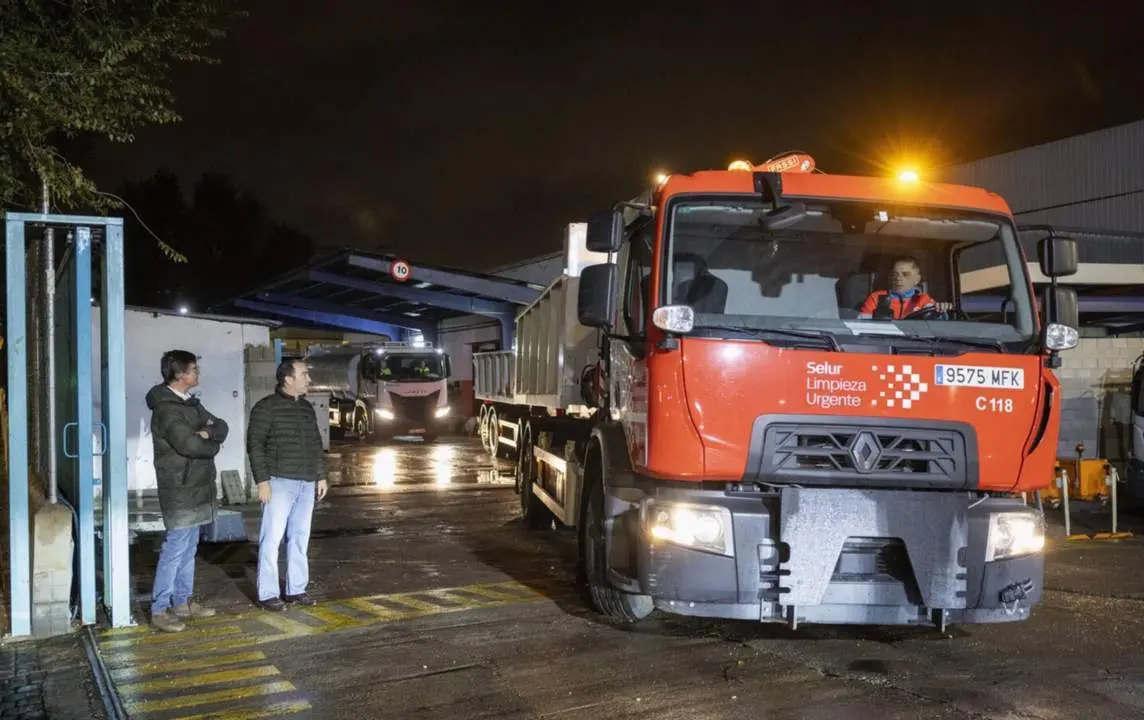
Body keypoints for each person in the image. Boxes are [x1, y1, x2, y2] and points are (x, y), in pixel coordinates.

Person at [146, 350, 228, 632]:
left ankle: (182, 602)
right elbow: (188, 446)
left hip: (198, 487)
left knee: (189, 548)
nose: (198, 374)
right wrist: (213, 444)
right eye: (194, 370)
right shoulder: (167, 409)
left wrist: (208, 434)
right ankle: (159, 609)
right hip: (180, 489)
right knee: (175, 549)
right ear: (181, 375)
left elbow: (222, 426)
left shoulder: (191, 403)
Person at [248, 358, 328, 611]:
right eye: (304, 374)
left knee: (299, 537)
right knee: (271, 539)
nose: (309, 379)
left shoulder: (306, 408)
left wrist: (320, 475)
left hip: (306, 483)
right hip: (278, 482)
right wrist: (262, 481)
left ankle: (296, 589)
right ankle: (268, 594)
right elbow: (255, 446)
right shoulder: (265, 408)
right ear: (288, 379)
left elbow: (315, 443)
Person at [859, 256, 953, 319]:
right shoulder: (876, 298)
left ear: (917, 279)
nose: (898, 278)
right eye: (895, 274)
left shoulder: (924, 300)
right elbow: (862, 325)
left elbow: (936, 321)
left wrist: (941, 310)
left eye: (905, 274)